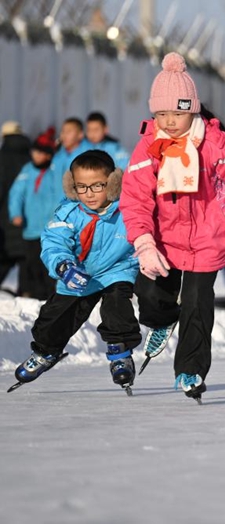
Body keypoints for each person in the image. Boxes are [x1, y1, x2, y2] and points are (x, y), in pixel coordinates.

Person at [119, 52, 225, 401]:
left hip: (208, 236)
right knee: (148, 296)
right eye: (162, 113)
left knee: (196, 304)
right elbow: (134, 198)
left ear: (192, 108)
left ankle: (190, 369)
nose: (170, 121)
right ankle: (161, 321)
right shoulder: (150, 147)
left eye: (177, 112)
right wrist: (144, 243)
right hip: (164, 239)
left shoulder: (216, 143)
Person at [9, 150, 140, 393]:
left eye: (97, 186)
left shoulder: (129, 210)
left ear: (112, 182)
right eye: (81, 187)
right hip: (78, 273)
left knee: (116, 307)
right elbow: (54, 242)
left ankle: (120, 352)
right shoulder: (69, 212)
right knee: (54, 316)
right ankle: (46, 351)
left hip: (116, 269)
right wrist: (63, 267)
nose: (89, 194)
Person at [7, 127, 59, 299]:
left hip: (49, 228)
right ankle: (34, 293)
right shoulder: (27, 170)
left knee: (48, 263)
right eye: (35, 151)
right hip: (30, 228)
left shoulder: (54, 172)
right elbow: (16, 193)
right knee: (31, 263)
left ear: (49, 155)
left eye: (41, 152)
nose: (36, 155)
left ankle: (48, 295)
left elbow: (60, 196)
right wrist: (16, 213)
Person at [0, 121, 31, 291]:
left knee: (5, 256)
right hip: (30, 217)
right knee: (25, 258)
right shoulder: (30, 155)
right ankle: (25, 291)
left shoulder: (3, 156)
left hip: (6, 216)